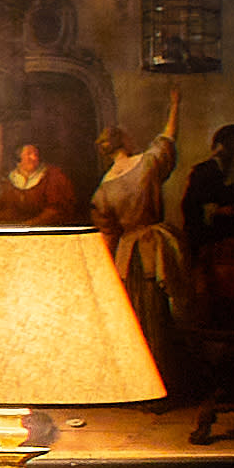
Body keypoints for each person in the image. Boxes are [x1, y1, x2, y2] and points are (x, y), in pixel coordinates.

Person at [95, 89, 192, 370]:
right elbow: (167, 138)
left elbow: (107, 233)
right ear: (126, 141)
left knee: (139, 312)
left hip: (127, 254)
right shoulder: (147, 164)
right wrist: (175, 104)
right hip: (153, 247)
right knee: (160, 312)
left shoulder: (104, 187)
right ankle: (165, 379)